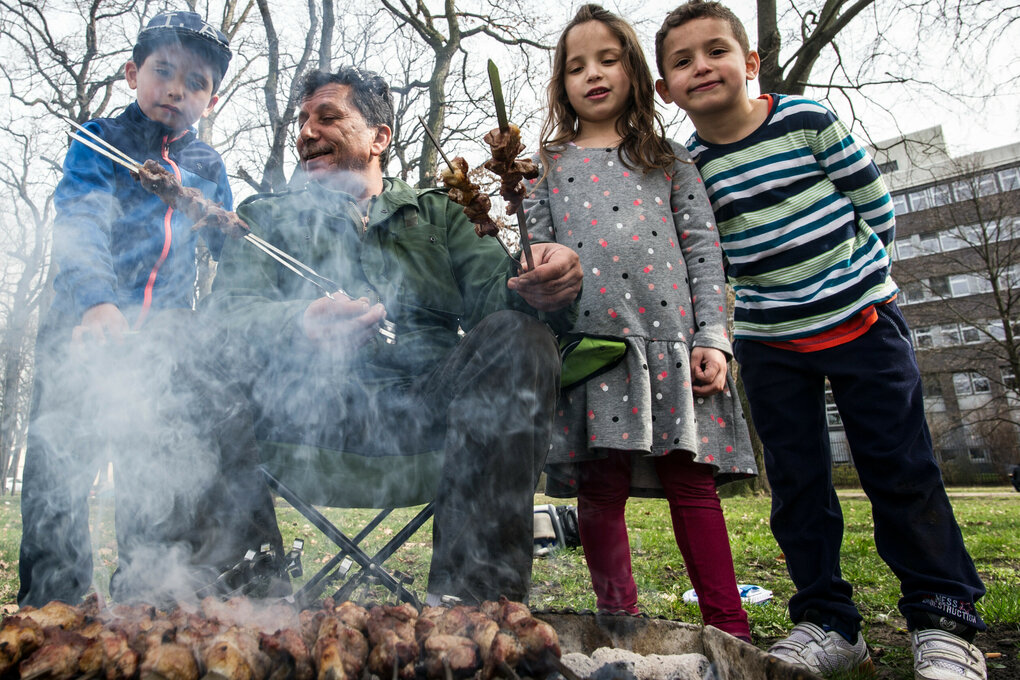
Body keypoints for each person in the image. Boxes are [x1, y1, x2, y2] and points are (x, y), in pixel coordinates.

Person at [653, 2, 988, 678]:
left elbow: (875, 204)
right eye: (682, 61)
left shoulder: (807, 120)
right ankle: (827, 620)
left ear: (749, 63)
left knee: (900, 466)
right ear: (665, 89)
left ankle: (942, 616)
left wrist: (865, 281)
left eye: (715, 51)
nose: (701, 67)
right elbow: (706, 258)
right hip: (772, 340)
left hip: (861, 320)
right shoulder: (686, 168)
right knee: (799, 482)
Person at [202, 66, 583, 606]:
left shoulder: (442, 214)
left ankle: (471, 614)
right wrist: (298, 324)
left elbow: (505, 304)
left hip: (424, 410)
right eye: (303, 119)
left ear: (380, 138)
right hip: (297, 413)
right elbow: (224, 322)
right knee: (185, 355)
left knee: (521, 338)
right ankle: (249, 611)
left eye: (328, 117)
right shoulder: (263, 220)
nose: (307, 131)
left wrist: (549, 280)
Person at [19, 11, 283, 606]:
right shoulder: (99, 141)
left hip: (161, 341)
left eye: (196, 83)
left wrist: (244, 239)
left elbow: (227, 250)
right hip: (81, 330)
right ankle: (49, 611)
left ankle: (143, 600)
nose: (176, 90)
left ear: (211, 100)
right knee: (59, 471)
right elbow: (81, 220)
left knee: (152, 473)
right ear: (132, 72)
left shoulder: (208, 168)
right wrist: (96, 303)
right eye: (163, 72)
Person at [522, 4, 756, 641]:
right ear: (561, 83)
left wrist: (714, 336)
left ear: (634, 71)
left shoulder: (672, 160)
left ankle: (728, 629)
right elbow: (535, 256)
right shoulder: (544, 167)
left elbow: (706, 254)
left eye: (608, 59)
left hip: (673, 347)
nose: (593, 75)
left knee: (693, 487)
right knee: (601, 492)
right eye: (576, 66)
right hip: (594, 352)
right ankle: (616, 623)